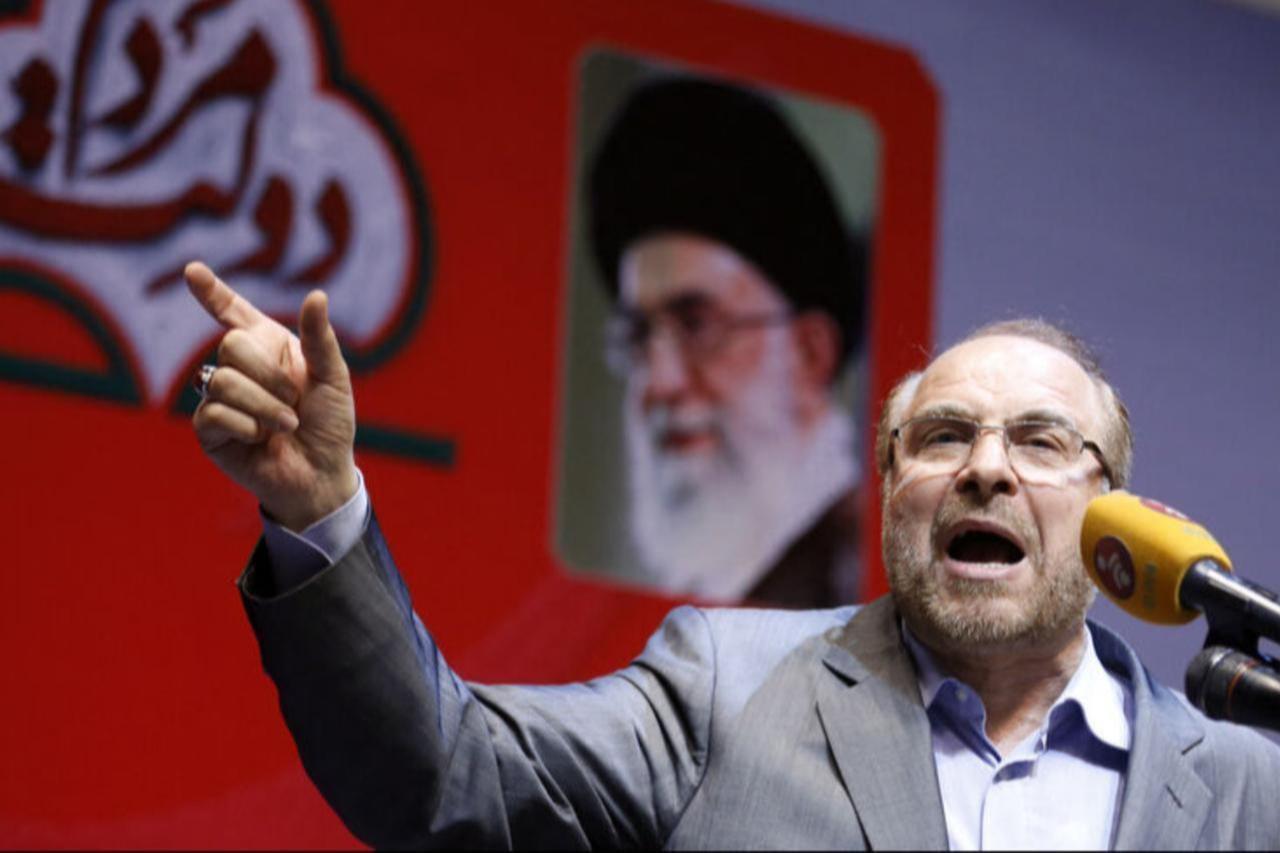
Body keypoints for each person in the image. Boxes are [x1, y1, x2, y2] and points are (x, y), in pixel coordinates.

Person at [186, 260, 1280, 849]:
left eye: (1039, 441)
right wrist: (322, 506)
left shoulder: (1245, 787)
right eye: (941, 436)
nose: (983, 469)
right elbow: (442, 770)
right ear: (891, 488)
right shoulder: (729, 688)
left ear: (1111, 511)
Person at [583, 77, 868, 606]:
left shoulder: (860, 594)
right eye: (640, 335)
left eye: (697, 326)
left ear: (810, 354)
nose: (660, 382)